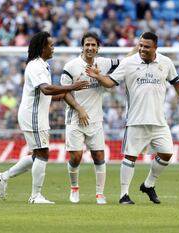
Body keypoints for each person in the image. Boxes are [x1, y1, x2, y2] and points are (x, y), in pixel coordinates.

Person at [86, 31, 179, 204]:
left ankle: (148, 184)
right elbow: (110, 82)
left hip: (159, 120)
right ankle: (124, 195)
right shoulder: (128, 63)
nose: (142, 49)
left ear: (155, 48)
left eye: (146, 47)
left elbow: (177, 83)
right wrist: (98, 76)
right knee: (130, 157)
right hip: (136, 119)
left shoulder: (165, 62)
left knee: (167, 153)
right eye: (140, 45)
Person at [0, 31, 88, 204]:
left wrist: (66, 93)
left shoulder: (43, 65)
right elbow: (46, 89)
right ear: (43, 48)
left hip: (35, 114)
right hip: (33, 115)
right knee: (43, 153)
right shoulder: (35, 66)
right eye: (51, 45)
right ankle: (35, 196)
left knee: (38, 154)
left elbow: (46, 93)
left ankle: (4, 177)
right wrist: (72, 86)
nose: (53, 48)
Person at [61, 32, 120, 205]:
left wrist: (137, 47)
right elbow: (63, 92)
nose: (90, 48)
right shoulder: (71, 66)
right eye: (87, 44)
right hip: (75, 119)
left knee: (99, 156)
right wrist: (79, 109)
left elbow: (126, 62)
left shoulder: (103, 63)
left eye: (93, 45)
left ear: (98, 47)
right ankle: (74, 189)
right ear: (82, 46)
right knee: (76, 157)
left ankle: (100, 194)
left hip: (96, 119)